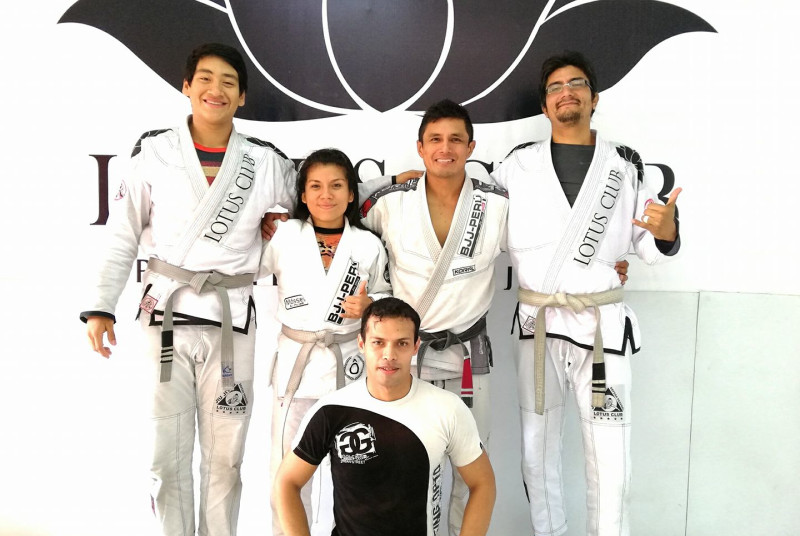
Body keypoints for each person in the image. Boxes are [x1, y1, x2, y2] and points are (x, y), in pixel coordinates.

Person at [489, 51, 682, 536]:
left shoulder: (623, 164)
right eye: (555, 87)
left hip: (601, 330)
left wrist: (666, 229)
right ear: (544, 105)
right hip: (537, 328)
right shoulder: (518, 164)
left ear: (594, 99)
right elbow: (483, 226)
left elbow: (650, 244)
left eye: (576, 84)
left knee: (611, 457)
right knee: (536, 453)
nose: (566, 93)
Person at [273, 297, 496, 536]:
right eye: (378, 342)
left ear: (415, 346)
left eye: (401, 343)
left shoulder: (447, 408)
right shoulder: (330, 410)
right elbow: (287, 482)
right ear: (361, 343)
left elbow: (482, 483)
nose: (389, 355)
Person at [259, 148, 391, 536]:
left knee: (351, 475)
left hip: (348, 369)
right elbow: (244, 268)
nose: (326, 195)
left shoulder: (368, 244)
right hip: (296, 370)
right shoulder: (284, 236)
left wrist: (370, 304)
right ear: (302, 194)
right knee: (286, 471)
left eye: (336, 186)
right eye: (315, 186)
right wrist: (261, 221)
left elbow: (387, 295)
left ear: (351, 193)